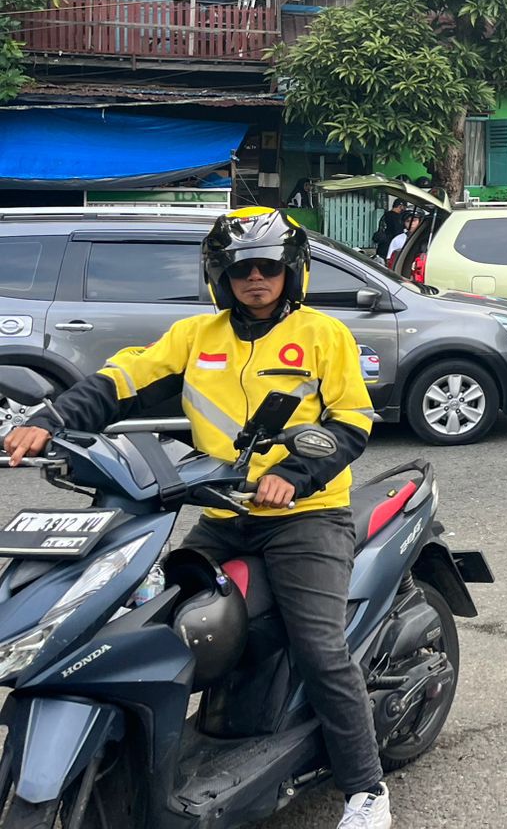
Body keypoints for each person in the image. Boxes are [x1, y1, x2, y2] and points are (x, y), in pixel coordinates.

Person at [2, 209, 391, 829]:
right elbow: (119, 382)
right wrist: (50, 422)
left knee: (320, 648)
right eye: (241, 269)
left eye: (268, 267)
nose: (255, 278)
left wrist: (293, 475)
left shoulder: (325, 335)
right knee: (151, 624)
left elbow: (351, 423)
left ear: (292, 273)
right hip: (221, 512)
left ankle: (366, 790)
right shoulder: (195, 336)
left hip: (306, 517)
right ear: (220, 277)